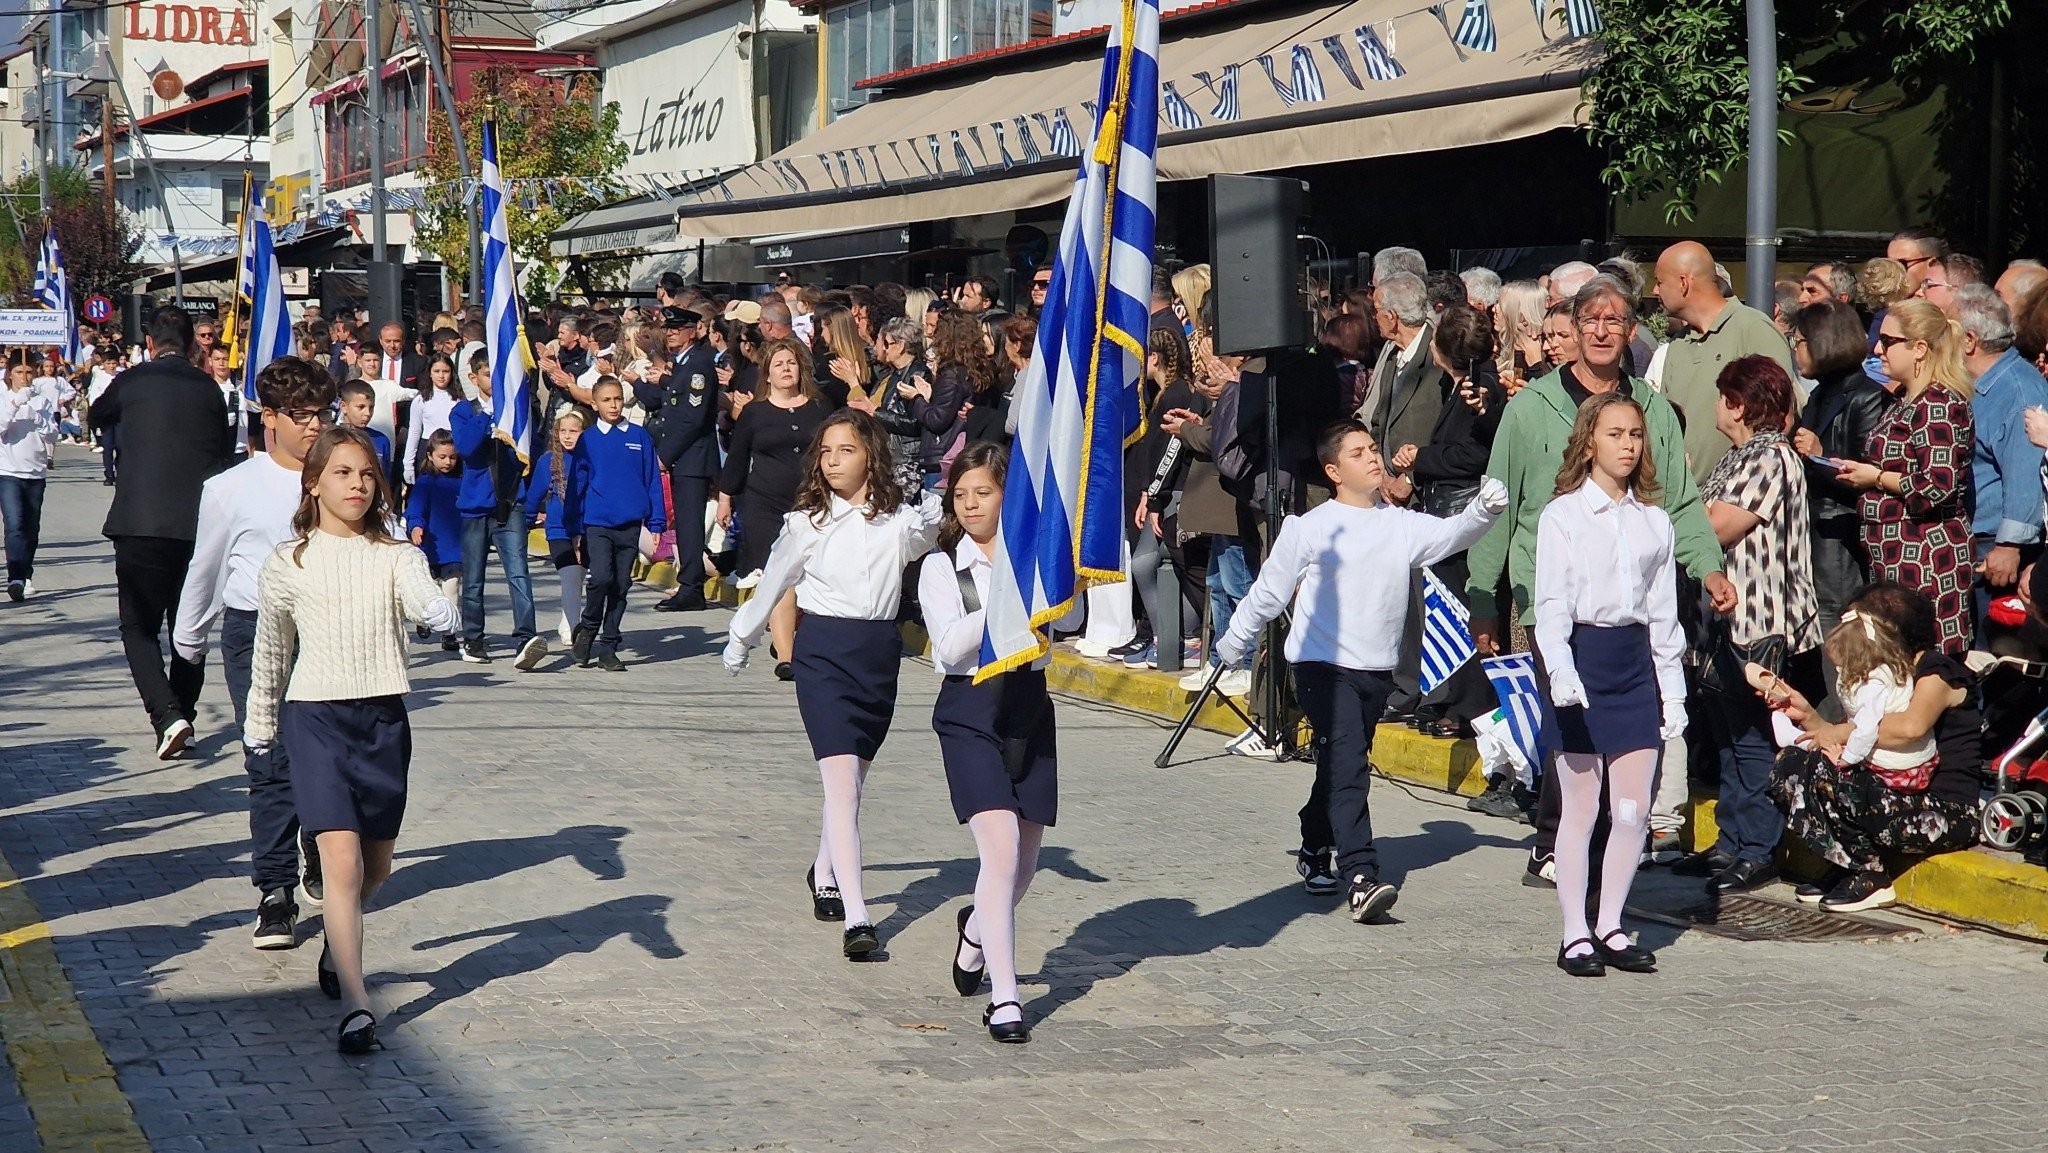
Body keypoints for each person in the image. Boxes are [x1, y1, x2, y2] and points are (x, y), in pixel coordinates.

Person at [1467, 280, 1735, 885]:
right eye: (1590, 319)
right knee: (1571, 719)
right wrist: (1484, 596)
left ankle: (1598, 844)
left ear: (1632, 331)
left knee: (1616, 727)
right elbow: (1498, 503)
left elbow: (1680, 502)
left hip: (1629, 601)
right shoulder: (1530, 407)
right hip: (1549, 597)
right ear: (1572, 327)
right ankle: (1556, 841)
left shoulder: (1651, 412)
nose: (1602, 330)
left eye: (1615, 320)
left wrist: (1708, 565)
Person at [1217, 418, 1503, 916]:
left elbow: (1452, 535)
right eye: (1357, 453)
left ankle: (1313, 847)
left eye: (1373, 448)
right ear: (1333, 471)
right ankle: (1361, 874)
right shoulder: (1309, 528)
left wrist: (1484, 510)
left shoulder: (1399, 524)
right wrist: (1234, 639)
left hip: (1376, 671)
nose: (1373, 458)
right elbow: (1268, 590)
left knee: (1337, 765)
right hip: (1321, 666)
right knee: (1349, 765)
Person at [244, 426, 456, 1054]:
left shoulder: (397, 556)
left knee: (376, 866)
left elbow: (424, 602)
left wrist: (438, 611)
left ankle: (339, 947)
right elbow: (272, 653)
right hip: (314, 719)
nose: (356, 485)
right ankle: (360, 1006)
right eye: (341, 472)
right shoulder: (288, 562)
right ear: (314, 483)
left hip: (383, 720)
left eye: (365, 474)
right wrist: (259, 726)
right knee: (339, 858)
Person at [721, 410, 944, 958]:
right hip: (822, 654)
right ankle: (858, 916)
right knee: (840, 783)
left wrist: (936, 495)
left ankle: (823, 871)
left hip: (877, 653)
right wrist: (741, 637)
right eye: (826, 452)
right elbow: (774, 581)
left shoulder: (898, 522)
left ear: (871, 455)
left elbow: (938, 532)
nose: (834, 460)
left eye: (845, 450)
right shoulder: (806, 524)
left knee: (852, 783)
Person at [173, 356, 335, 949]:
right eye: (300, 415)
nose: (314, 426)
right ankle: (275, 891)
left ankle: (321, 845)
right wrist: (188, 640)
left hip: (328, 632)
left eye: (322, 413)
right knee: (267, 759)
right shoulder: (229, 488)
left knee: (324, 759)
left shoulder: (340, 474)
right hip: (254, 633)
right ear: (269, 417)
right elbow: (207, 565)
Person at [1534, 393, 1683, 976]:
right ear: (1590, 440)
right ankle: (1574, 933)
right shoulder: (1563, 516)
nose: (1627, 445)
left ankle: (1612, 925)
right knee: (1581, 809)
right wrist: (1562, 674)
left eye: (1636, 435)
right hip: (1582, 659)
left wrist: (1671, 691)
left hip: (1633, 666)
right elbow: (1550, 606)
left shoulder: (1654, 521)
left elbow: (1663, 613)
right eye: (1616, 434)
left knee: (1631, 811)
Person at [920, 442, 1056, 1043]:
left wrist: (1042, 586)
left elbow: (1065, 626)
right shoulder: (940, 567)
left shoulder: (1032, 562)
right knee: (997, 852)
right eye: (962, 495)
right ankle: (1006, 998)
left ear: (1008, 497)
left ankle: (976, 930)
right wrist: (1003, 604)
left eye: (984, 493)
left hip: (1028, 708)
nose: (971, 505)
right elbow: (948, 648)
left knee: (1025, 863)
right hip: (969, 709)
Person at [1685, 357, 1822, 893]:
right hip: (1723, 617)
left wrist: (1682, 510)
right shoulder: (1741, 454)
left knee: (1751, 735)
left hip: (1760, 617)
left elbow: (1716, 526)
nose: (1717, 406)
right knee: (1725, 732)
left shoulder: (1770, 458)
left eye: (1722, 396)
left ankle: (1758, 849)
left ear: (1738, 404)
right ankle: (1730, 843)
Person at [1768, 582, 1981, 912]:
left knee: (1831, 775)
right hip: (1889, 791)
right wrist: (1808, 715)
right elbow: (1851, 735)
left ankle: (1871, 875)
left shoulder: (1936, 671)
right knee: (1794, 763)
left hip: (1942, 810)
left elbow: (1910, 728)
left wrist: (1838, 733)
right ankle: (1848, 862)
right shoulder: (1874, 671)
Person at [92, 307, 238, 758]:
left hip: (139, 524)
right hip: (197, 523)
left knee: (138, 627)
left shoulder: (133, 381)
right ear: (195, 343)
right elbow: (225, 449)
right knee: (188, 628)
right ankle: (182, 716)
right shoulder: (210, 389)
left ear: (150, 343)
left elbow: (97, 414)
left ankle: (167, 714)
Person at [1834, 299, 1975, 653]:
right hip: (1894, 555)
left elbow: (1938, 487)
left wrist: (1876, 479)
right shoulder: (1905, 400)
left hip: (1927, 557)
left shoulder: (1939, 404)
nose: (1877, 349)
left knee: (1928, 665)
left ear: (1920, 349)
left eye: (1889, 341)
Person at [718, 337, 830, 677]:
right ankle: (787, 656)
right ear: (767, 373)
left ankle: (788, 633)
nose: (786, 369)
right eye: (779, 364)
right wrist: (726, 498)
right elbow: (737, 459)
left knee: (808, 576)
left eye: (791, 363)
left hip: (810, 503)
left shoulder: (819, 407)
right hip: (764, 503)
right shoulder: (755, 412)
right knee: (780, 576)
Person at [1652, 241, 1799, 483]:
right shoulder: (1678, 344)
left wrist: (1745, 492)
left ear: (1683, 283)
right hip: (1685, 502)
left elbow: (1781, 419)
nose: (1655, 291)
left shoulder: (1752, 329)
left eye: (1659, 282)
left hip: (1739, 502)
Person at [1789, 300, 1890, 650]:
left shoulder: (1866, 397)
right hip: (1815, 526)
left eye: (1798, 341)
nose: (1794, 349)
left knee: (1836, 622)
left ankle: (1840, 705)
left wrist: (1821, 456)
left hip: (1841, 531)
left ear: (1823, 342)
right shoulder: (1819, 394)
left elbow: (1871, 473)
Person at [1953, 285, 2048, 637]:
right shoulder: (1978, 385)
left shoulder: (2018, 389)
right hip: (1981, 539)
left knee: (2000, 656)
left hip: (2001, 546)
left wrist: (2009, 547)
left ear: (1968, 340)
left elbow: (2026, 473)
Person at [450, 350, 544, 669]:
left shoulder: (514, 411)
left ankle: (526, 637)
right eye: (487, 374)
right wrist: (489, 416)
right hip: (476, 507)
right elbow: (465, 447)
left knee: (518, 572)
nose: (494, 379)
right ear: (474, 377)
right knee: (474, 578)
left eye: (497, 373)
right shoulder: (464, 411)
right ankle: (474, 638)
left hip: (510, 502)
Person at [568, 377, 666, 671]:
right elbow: (578, 484)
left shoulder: (639, 436)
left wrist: (657, 522)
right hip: (598, 523)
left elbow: (652, 480)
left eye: (618, 399)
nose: (613, 405)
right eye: (607, 400)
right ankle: (588, 627)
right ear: (595, 403)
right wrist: (573, 525)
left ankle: (609, 645)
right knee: (601, 578)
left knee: (621, 584)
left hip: (631, 523)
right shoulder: (589, 439)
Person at [640, 308, 719, 613]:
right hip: (683, 457)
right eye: (669, 328)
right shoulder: (683, 364)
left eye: (677, 328)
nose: (671, 333)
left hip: (692, 458)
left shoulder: (698, 365)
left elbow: (692, 419)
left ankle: (691, 587)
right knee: (685, 523)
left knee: (689, 524)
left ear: (693, 330)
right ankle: (688, 582)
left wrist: (665, 456)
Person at [523, 409, 588, 648]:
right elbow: (533, 496)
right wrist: (526, 521)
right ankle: (573, 628)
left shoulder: (591, 459)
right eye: (563, 431)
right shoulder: (547, 461)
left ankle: (566, 620)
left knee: (579, 576)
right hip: (558, 528)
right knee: (570, 575)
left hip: (585, 527)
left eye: (574, 431)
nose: (568, 436)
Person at [0, 360, 60, 601]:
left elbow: (53, 433)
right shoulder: (4, 399)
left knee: (31, 528)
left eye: (28, 372)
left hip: (35, 472)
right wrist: (15, 403)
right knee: (14, 523)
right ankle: (15, 577)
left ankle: (26, 574)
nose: (24, 376)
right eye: (18, 372)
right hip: (8, 471)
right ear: (10, 375)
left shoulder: (41, 401)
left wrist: (38, 418)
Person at [407, 429, 468, 652]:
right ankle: (423, 619)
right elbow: (415, 508)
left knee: (451, 589)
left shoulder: (462, 481)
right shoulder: (426, 482)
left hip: (453, 547)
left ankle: (449, 632)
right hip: (428, 545)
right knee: (429, 590)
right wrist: (415, 526)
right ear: (430, 455)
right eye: (442, 457)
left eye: (452, 457)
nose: (448, 462)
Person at [402, 354, 462, 486]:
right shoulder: (421, 399)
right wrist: (408, 464)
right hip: (427, 451)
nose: (441, 376)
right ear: (429, 373)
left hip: (452, 452)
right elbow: (414, 431)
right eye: (436, 371)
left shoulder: (459, 399)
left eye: (445, 371)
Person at [336, 380, 394, 477]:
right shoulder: (331, 439)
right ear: (344, 407)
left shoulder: (381, 440)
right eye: (361, 407)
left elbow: (385, 480)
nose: (367, 413)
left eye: (371, 407)